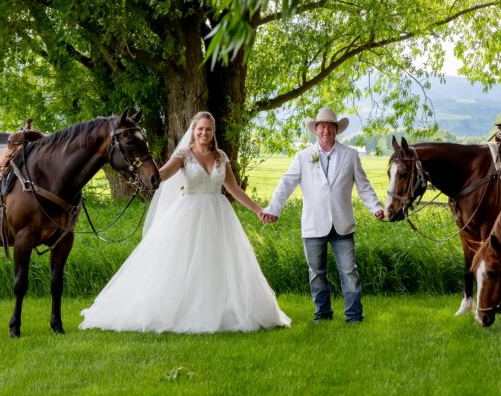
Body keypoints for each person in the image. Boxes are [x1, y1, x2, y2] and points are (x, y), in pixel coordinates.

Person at [80, 111, 290, 333]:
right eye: (200, 128)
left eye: (209, 129)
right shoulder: (184, 155)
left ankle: (216, 308)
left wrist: (258, 210)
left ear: (213, 131)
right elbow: (162, 175)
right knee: (185, 262)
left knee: (219, 262)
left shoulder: (221, 156)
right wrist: (143, 174)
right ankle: (185, 309)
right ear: (193, 130)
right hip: (189, 215)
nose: (204, 133)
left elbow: (234, 189)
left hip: (219, 216)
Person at [263, 107, 384, 323]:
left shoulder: (351, 155)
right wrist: (273, 209)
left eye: (330, 126)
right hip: (313, 225)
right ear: (315, 130)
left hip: (342, 225)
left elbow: (364, 186)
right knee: (317, 273)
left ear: (336, 130)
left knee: (349, 272)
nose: (326, 130)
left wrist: (376, 207)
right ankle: (323, 315)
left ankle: (354, 317)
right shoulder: (302, 157)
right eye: (322, 126)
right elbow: (286, 184)